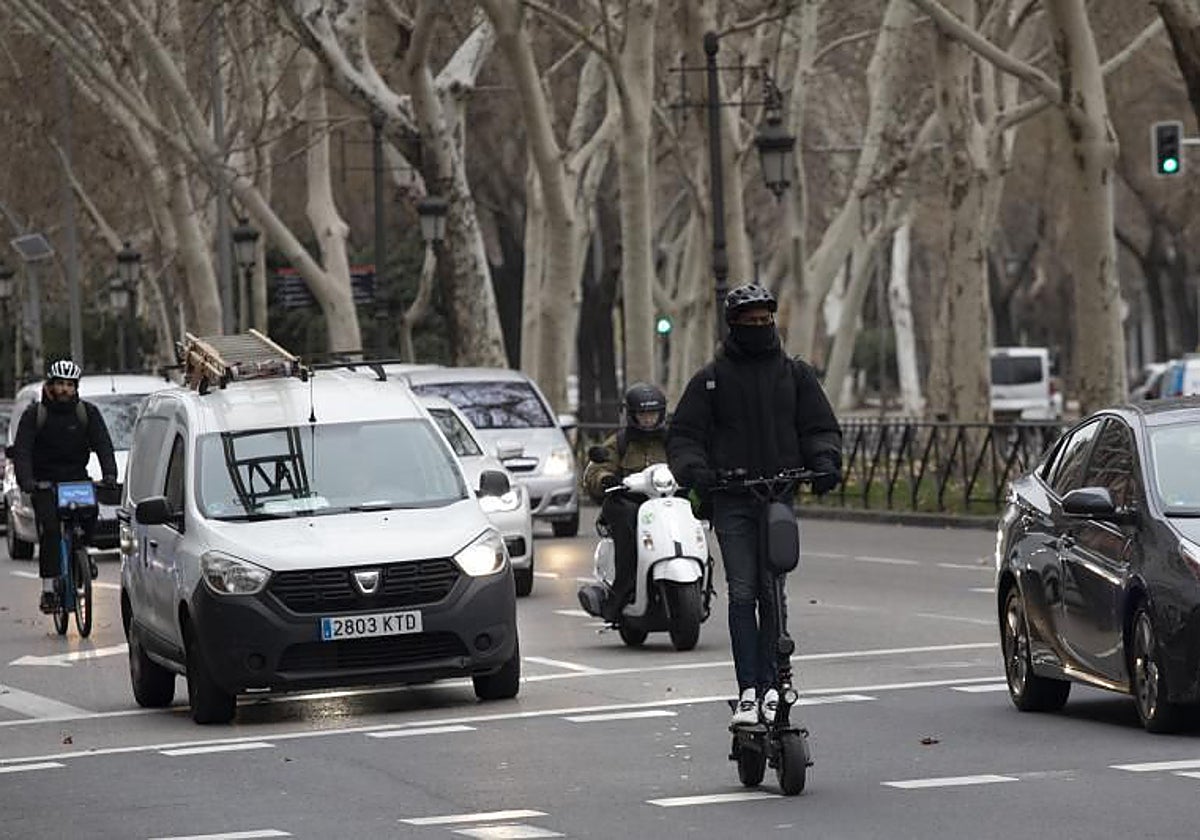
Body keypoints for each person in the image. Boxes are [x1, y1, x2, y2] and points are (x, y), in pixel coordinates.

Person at [667, 283, 842, 727]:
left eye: (766, 321)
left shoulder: (795, 374)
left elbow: (820, 427)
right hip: (732, 502)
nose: (760, 329)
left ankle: (774, 686)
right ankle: (749, 690)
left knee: (773, 593)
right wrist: (697, 471)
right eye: (750, 323)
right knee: (743, 593)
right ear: (734, 327)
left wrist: (824, 463)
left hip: (778, 500)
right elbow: (684, 436)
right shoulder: (711, 379)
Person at [10, 360, 118, 613]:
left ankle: (82, 553)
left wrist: (110, 474)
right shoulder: (35, 415)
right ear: (50, 385)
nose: (64, 390)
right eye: (59, 384)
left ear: (75, 387)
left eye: (69, 385)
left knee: (91, 516)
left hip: (76, 479)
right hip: (44, 482)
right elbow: (23, 451)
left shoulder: (87, 413)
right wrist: (27, 481)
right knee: (50, 530)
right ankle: (49, 589)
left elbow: (103, 444)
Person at [577, 382, 670, 622]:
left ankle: (702, 571)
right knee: (624, 518)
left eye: (652, 414)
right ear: (632, 415)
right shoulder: (620, 441)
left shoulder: (674, 439)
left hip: (668, 502)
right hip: (631, 503)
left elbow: (692, 458)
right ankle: (622, 588)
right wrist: (605, 479)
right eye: (643, 415)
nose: (648, 420)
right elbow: (596, 468)